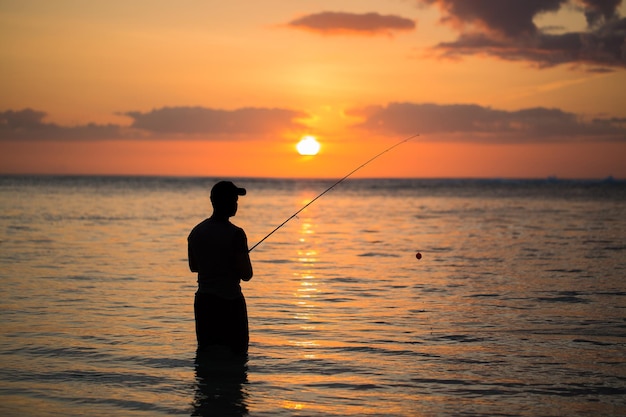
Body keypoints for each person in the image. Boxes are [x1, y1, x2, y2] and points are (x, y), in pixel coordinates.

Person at [188, 181, 253, 355]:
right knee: (236, 358)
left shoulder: (196, 232)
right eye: (233, 199)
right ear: (226, 202)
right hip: (230, 303)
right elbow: (247, 275)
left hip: (204, 303)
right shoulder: (236, 234)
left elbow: (194, 267)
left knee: (207, 356)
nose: (236, 203)